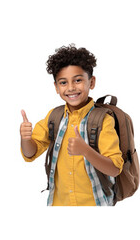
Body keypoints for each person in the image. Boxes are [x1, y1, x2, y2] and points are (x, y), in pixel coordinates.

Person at [20, 44, 123, 206]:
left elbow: (115, 169)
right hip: (58, 203)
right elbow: (29, 154)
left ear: (92, 82)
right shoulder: (54, 116)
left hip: (94, 203)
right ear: (56, 87)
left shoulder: (102, 120)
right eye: (63, 82)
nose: (71, 88)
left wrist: (85, 151)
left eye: (78, 80)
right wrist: (25, 139)